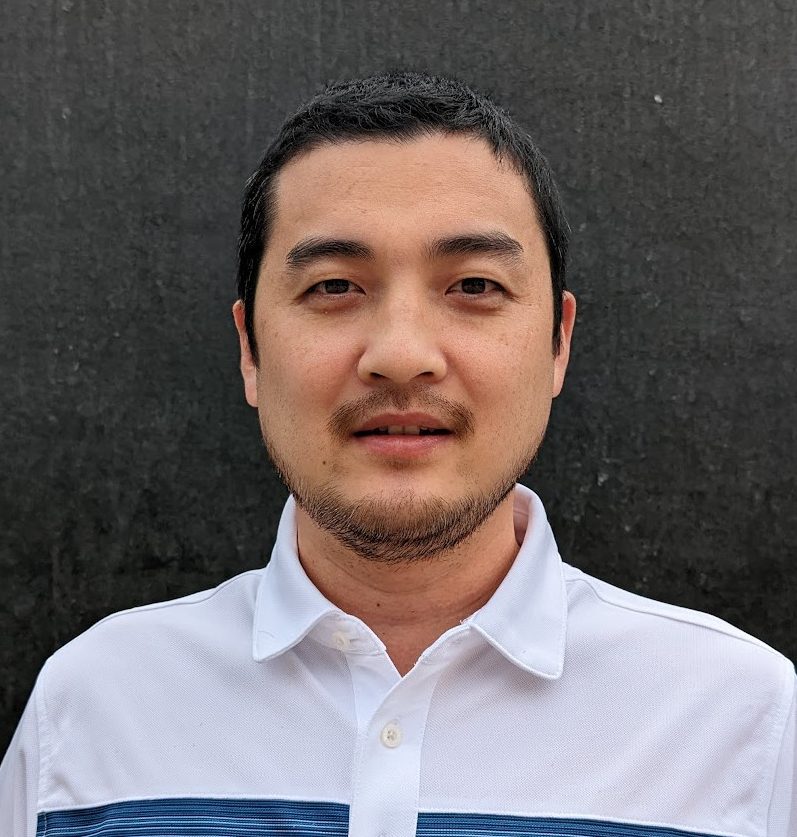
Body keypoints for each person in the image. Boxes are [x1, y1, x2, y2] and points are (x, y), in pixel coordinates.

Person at [1, 71, 794, 837]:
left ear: (557, 342)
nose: (401, 355)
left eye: (474, 286)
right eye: (334, 287)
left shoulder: (744, 725)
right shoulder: (95, 707)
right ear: (249, 350)